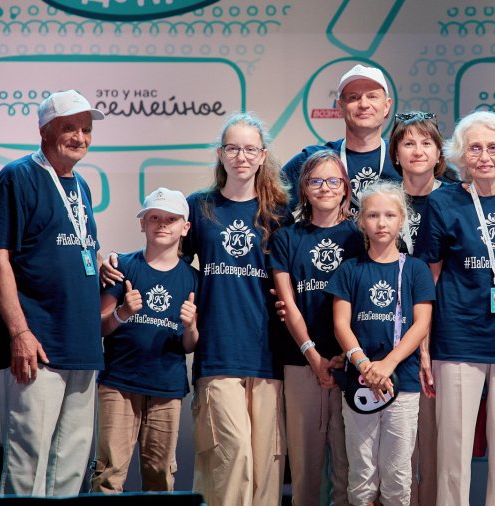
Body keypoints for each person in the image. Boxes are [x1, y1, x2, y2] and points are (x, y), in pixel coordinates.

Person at [413, 110, 495, 506]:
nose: (484, 157)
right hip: (458, 337)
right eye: (475, 149)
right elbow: (430, 278)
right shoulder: (442, 202)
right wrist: (424, 347)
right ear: (461, 155)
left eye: (493, 148)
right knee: (454, 453)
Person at [0, 89, 106, 496]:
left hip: (82, 345)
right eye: (69, 128)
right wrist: (19, 333)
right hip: (37, 344)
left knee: (71, 467)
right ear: (44, 131)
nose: (80, 137)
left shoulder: (82, 186)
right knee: (28, 462)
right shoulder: (17, 177)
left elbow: (72, 245)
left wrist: (100, 262)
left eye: (85, 129)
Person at [186, 112, 288, 506]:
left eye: (249, 149)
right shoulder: (199, 207)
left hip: (268, 355)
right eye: (232, 148)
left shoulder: (280, 214)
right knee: (232, 461)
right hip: (218, 354)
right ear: (220, 154)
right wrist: (122, 266)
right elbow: (167, 263)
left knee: (266, 472)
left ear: (262, 155)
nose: (240, 157)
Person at [326, 181, 435, 506]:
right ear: (361, 221)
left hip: (402, 383)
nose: (381, 222)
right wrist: (364, 365)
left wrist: (387, 365)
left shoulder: (416, 270)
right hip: (358, 382)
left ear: (402, 220)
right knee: (361, 477)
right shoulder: (349, 270)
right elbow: (341, 325)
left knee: (398, 478)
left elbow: (421, 324)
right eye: (373, 215)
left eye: (390, 215)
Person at [270, 150, 363, 506]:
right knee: (306, 473)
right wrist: (313, 356)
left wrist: (345, 356)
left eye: (333, 180)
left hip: (351, 366)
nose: (325, 188)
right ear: (304, 189)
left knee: (349, 472)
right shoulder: (286, 238)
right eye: (316, 181)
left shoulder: (360, 237)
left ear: (346, 188)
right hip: (301, 361)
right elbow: (288, 305)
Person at [91, 188, 199, 493]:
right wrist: (123, 313)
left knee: (160, 475)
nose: (162, 224)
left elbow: (190, 345)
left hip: (166, 387)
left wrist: (190, 326)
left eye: (171, 219)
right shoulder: (121, 267)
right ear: (143, 223)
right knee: (108, 474)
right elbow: (99, 327)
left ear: (185, 227)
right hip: (119, 383)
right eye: (154, 217)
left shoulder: (193, 279)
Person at [387, 110, 454, 505]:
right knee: (395, 447)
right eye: (408, 143)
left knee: (436, 443)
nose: (417, 150)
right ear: (395, 153)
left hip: (444, 329)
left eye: (426, 142)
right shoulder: (382, 199)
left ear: (439, 152)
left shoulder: (458, 197)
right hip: (389, 328)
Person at [283, 64, 401, 213]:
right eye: (354, 97)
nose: (364, 104)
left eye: (372, 96)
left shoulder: (404, 158)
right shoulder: (313, 160)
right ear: (340, 107)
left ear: (387, 106)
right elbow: (269, 203)